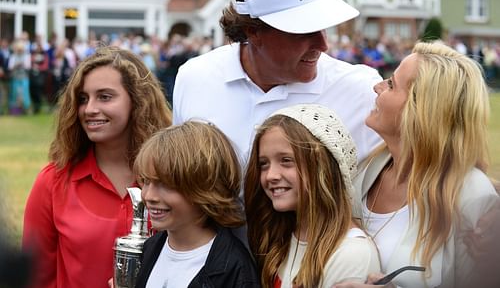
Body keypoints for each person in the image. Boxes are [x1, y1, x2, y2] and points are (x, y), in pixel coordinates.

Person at [173, 0, 382, 167]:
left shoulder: (361, 92)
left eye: (323, 27)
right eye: (304, 31)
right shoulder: (194, 78)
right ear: (252, 31)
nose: (323, 45)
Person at [334, 41, 499, 288]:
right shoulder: (366, 168)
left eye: (391, 84)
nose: (377, 87)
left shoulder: (472, 197)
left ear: (420, 111)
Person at [22, 46, 172, 288]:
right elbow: (36, 278)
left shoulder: (173, 178)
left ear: (137, 101)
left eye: (105, 96)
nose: (90, 109)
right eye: (83, 99)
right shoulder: (52, 182)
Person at [244, 104, 380, 288]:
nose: (271, 175)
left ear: (322, 167)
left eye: (286, 160)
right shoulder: (280, 238)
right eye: (264, 163)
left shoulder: (351, 253)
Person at [133, 121, 260, 288]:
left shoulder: (234, 269)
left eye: (165, 184)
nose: (149, 196)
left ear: (205, 187)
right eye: (146, 181)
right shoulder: (151, 247)